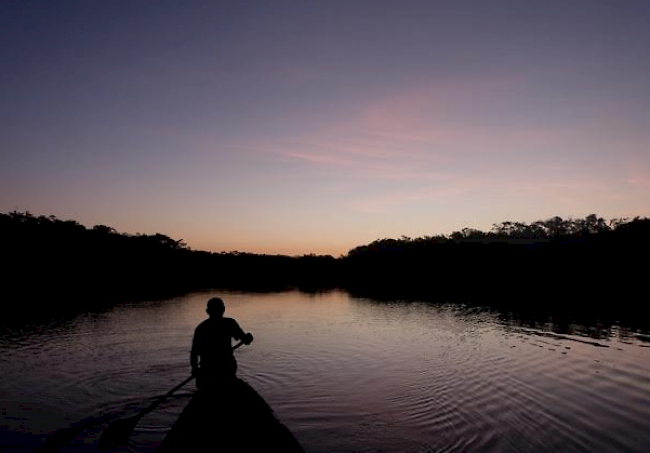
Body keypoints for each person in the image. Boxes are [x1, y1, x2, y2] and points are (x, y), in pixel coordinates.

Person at [190, 297, 253, 390]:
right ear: (223, 309)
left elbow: (194, 353)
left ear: (207, 311)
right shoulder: (229, 323)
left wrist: (195, 369)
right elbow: (245, 340)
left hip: (210, 369)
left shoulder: (201, 328)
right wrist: (248, 338)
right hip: (220, 368)